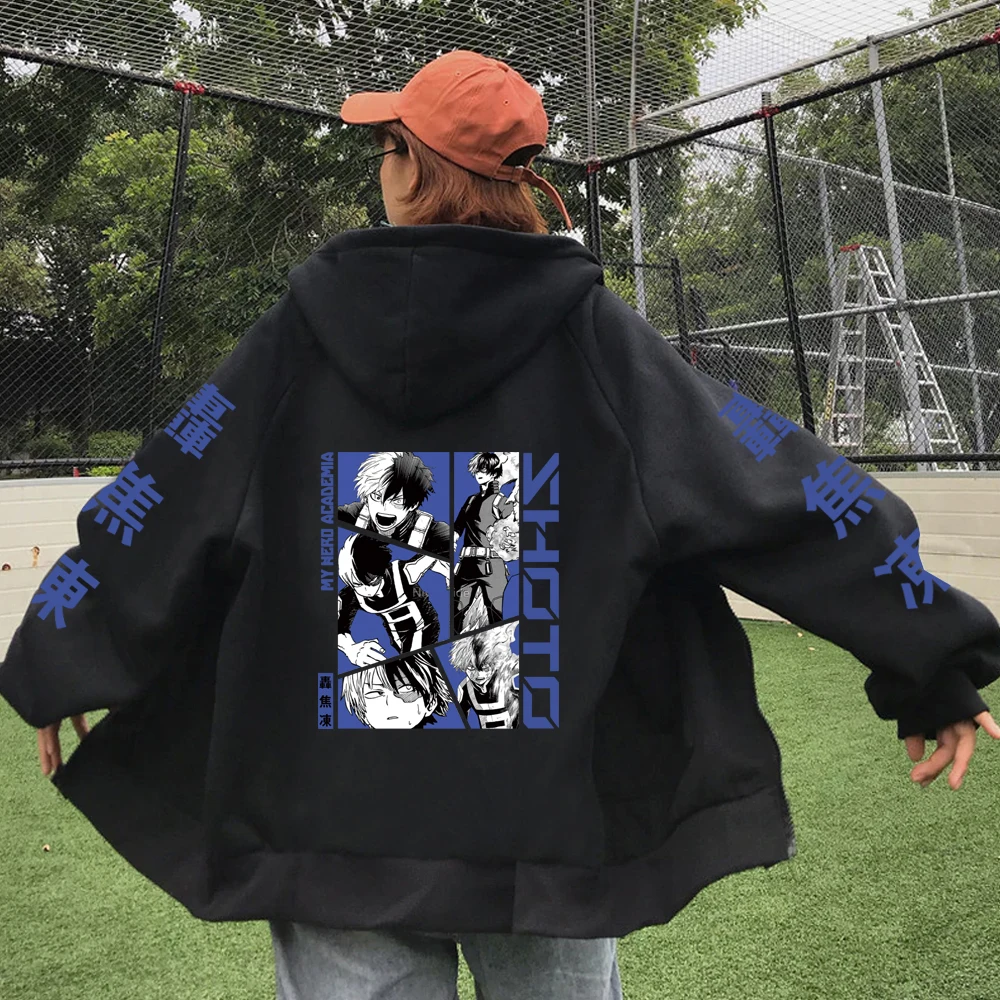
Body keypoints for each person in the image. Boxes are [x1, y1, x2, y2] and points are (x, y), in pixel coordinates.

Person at [3, 47, 1000, 1000]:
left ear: (409, 167)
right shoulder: (599, 341)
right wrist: (929, 657)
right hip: (544, 828)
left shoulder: (296, 339)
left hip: (335, 822)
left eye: (386, 145)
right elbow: (780, 488)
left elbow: (170, 490)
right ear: (518, 185)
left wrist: (67, 644)